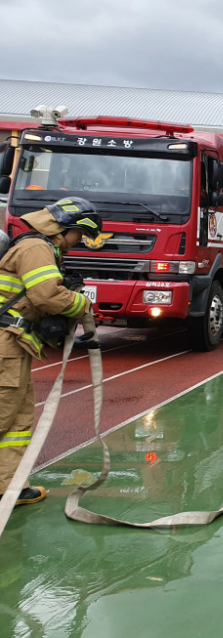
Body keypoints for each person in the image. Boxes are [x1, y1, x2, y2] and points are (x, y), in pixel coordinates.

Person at [0, 197, 101, 506]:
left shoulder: (41, 248)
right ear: (66, 227)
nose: (78, 243)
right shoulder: (36, 249)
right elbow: (46, 296)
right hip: (6, 344)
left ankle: (9, 487)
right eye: (79, 235)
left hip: (15, 343)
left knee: (18, 418)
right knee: (3, 415)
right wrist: (81, 303)